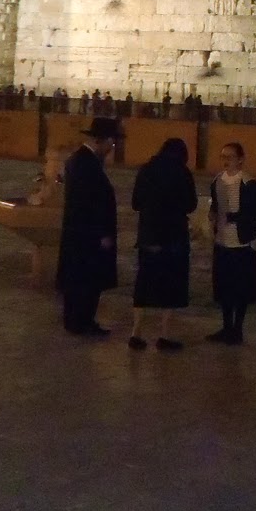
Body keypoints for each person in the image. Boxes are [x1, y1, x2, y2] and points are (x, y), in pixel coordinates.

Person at [129, 137, 197, 350]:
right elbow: (191, 204)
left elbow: (135, 203)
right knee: (172, 285)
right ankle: (164, 334)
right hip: (173, 237)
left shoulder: (146, 170)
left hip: (148, 235)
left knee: (144, 282)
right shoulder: (182, 172)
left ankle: (136, 333)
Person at [56, 118, 121, 336]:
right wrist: (101, 232)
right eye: (111, 142)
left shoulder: (81, 160)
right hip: (88, 235)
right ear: (101, 140)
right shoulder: (86, 163)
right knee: (86, 280)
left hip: (80, 233)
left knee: (79, 279)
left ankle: (77, 321)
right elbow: (90, 202)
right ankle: (82, 322)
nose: (112, 147)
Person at [207, 141, 256, 344]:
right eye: (223, 156)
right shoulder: (217, 181)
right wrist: (212, 215)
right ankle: (226, 327)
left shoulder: (249, 183)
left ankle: (237, 329)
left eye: (229, 157)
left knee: (240, 288)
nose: (225, 161)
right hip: (222, 240)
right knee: (224, 287)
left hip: (241, 242)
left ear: (240, 159)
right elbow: (213, 205)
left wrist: (233, 217)